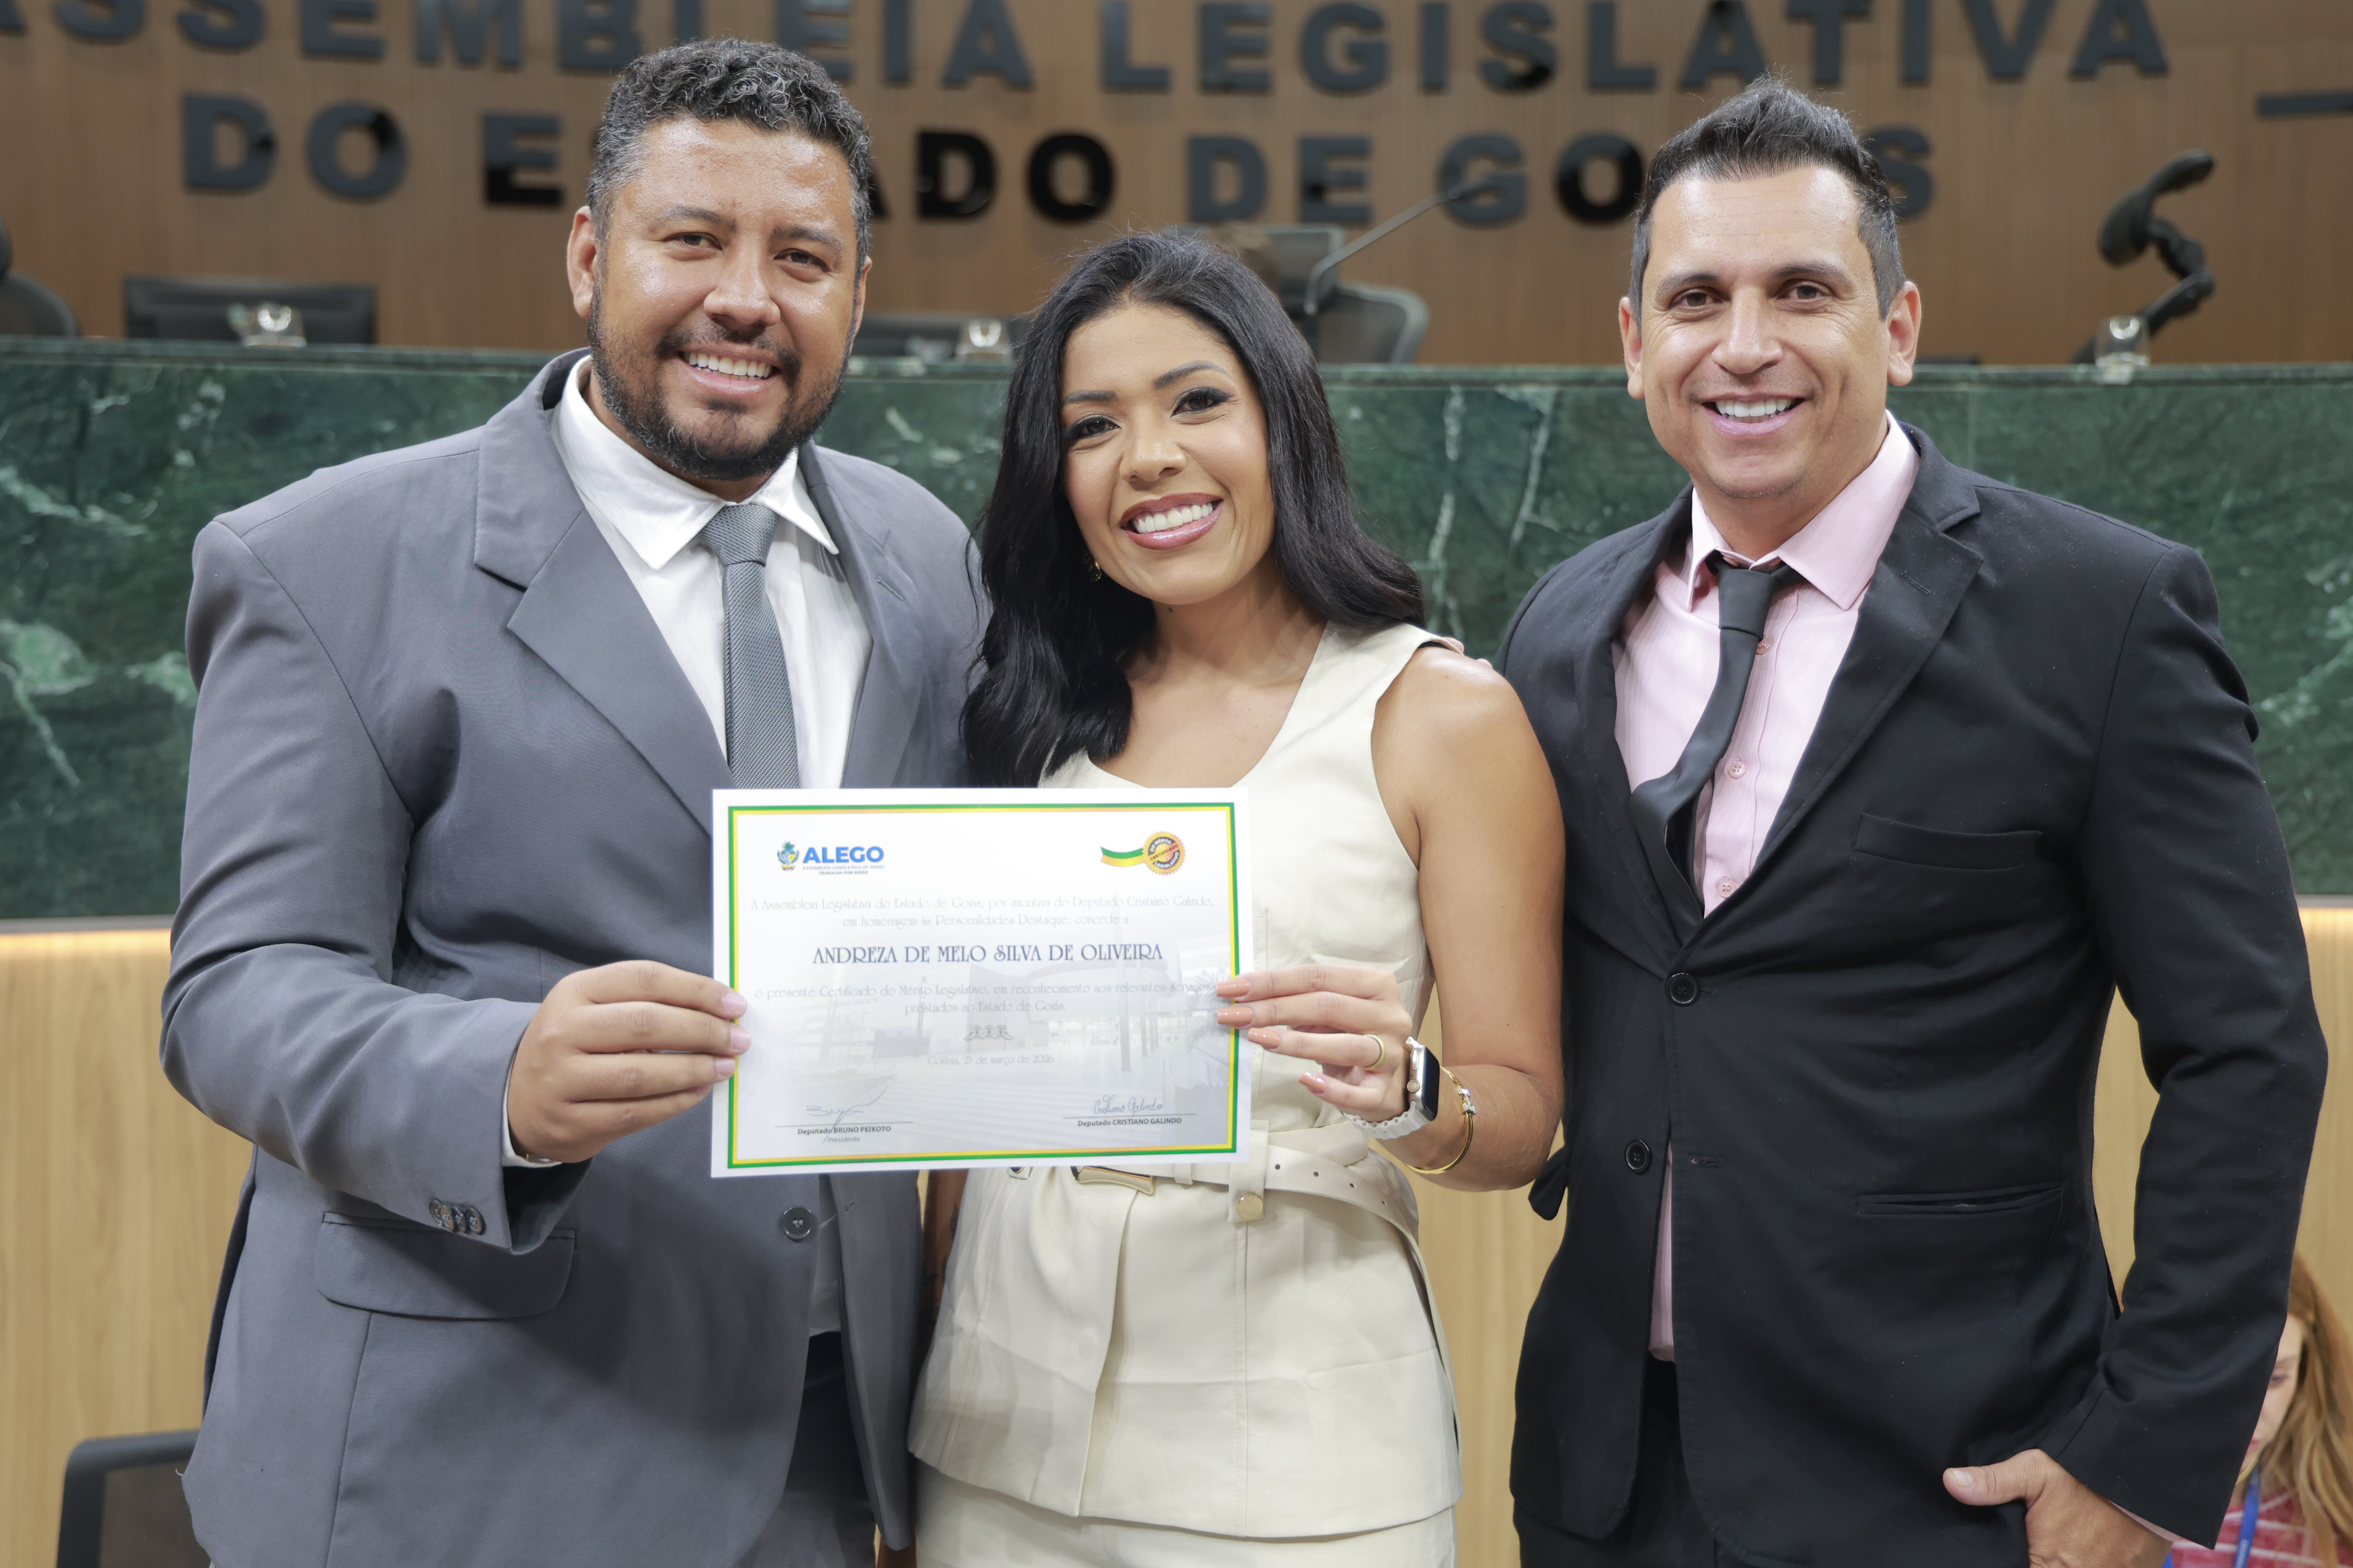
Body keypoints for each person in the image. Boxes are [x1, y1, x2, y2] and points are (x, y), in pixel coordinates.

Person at [161, 41, 982, 1568]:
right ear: (590, 257)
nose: (746, 297)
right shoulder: (326, 557)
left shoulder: (927, 555)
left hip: (822, 1449)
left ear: (858, 295)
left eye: (801, 257)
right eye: (693, 239)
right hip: (460, 1448)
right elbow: (235, 993)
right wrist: (500, 1084)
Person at [1497, 76, 2328, 1568]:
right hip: (1602, 1479)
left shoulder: (2100, 614)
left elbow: (2243, 1045)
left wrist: (2138, 1451)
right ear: (1632, 346)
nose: (1740, 343)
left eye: (1799, 290)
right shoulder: (1558, 626)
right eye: (1692, 298)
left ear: (1894, 328)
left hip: (1946, 1481)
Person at [905, 230, 1567, 1565]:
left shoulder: (1438, 712)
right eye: (1092, 426)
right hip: (993, 1437)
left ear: (1285, 423)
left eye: (1195, 401)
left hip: (1299, 1454)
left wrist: (1408, 1087)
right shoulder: (1026, 716)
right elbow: (969, 1139)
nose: (1147, 456)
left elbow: (1520, 1119)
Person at [2169, 1255, 2353, 1567]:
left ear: (2305, 1371)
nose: (2246, 1415)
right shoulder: (2094, 1517)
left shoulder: (2335, 1526)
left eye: (2276, 1379)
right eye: (2216, 1378)